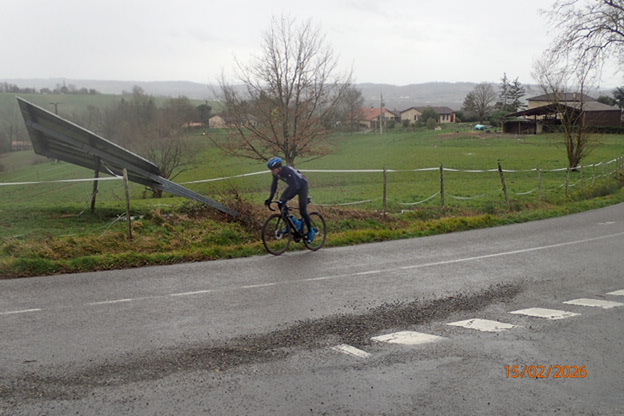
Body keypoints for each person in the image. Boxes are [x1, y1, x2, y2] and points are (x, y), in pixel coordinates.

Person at [264, 156, 316, 243]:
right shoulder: (276, 173)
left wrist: (286, 199)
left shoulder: (288, 171)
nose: (272, 171)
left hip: (302, 186)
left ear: (279, 167)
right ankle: (290, 223)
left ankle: (311, 231)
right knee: (280, 203)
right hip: (293, 186)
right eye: (271, 170)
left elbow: (296, 186)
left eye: (273, 169)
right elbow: (274, 186)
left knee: (303, 211)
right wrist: (270, 199)